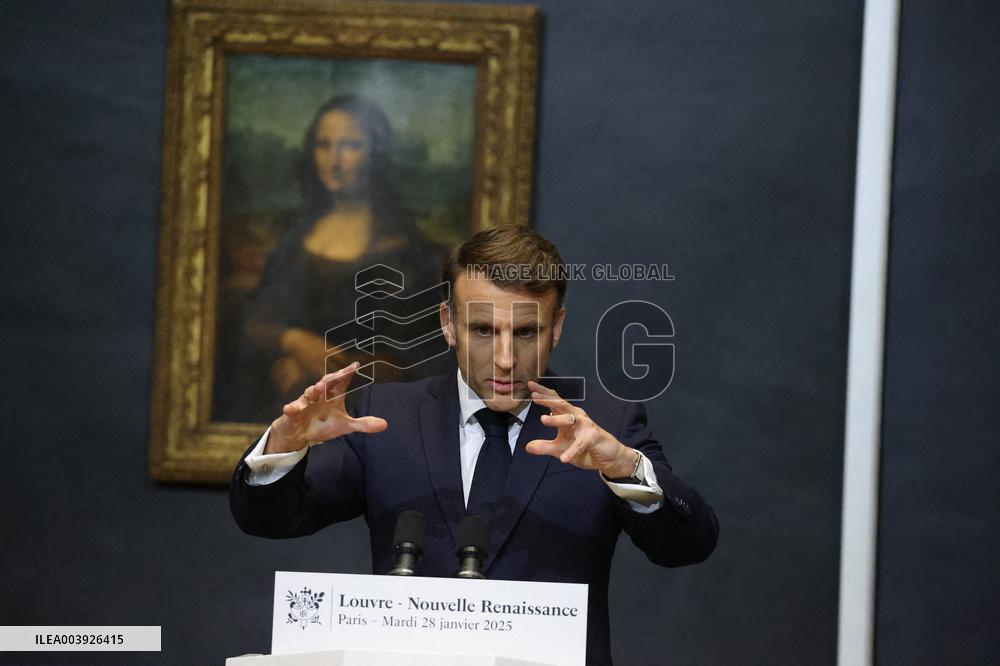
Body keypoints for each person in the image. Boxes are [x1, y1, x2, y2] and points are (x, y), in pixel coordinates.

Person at [230, 225, 719, 665]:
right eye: (483, 331)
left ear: (557, 329)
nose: (505, 359)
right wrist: (283, 446)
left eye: (525, 332)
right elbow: (269, 519)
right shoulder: (387, 417)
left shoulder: (604, 424)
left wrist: (623, 467)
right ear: (447, 323)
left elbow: (687, 545)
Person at [218, 94, 448, 422]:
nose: (334, 160)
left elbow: (419, 355)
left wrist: (326, 370)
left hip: (366, 413)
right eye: (324, 145)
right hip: (281, 410)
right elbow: (256, 320)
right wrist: (293, 341)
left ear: (376, 156)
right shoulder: (297, 239)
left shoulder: (403, 251)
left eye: (350, 145)